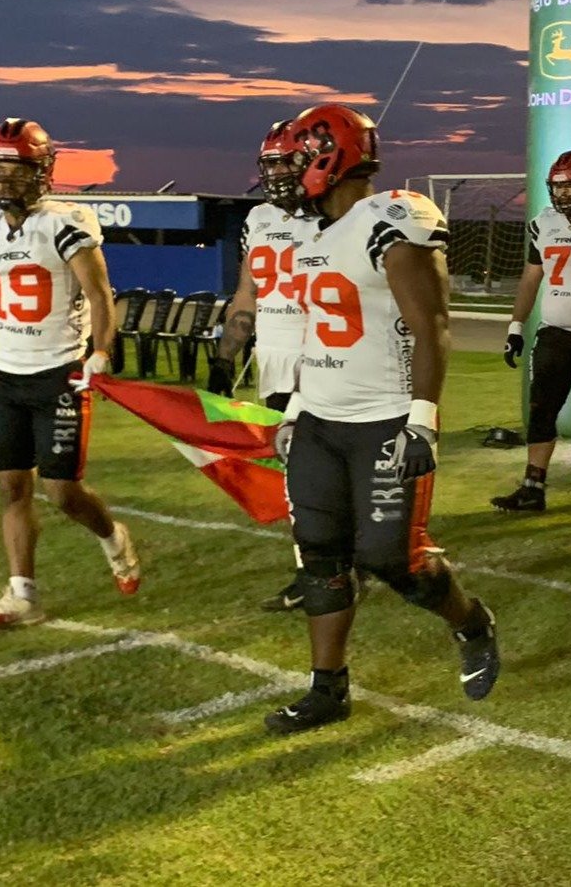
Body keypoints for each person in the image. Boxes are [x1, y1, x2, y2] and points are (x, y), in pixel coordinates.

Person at [263, 103, 497, 734]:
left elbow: (433, 325)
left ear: (328, 157)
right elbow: (324, 338)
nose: (285, 173)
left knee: (391, 560)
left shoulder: (391, 218)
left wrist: (421, 419)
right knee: (320, 556)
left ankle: (471, 622)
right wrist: (298, 409)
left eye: (294, 159)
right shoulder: (316, 236)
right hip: (321, 422)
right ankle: (328, 688)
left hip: (386, 421)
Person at [0, 118, 139, 631]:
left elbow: (101, 295)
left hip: (59, 374)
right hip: (4, 377)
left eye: (17, 169)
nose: (5, 179)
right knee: (12, 489)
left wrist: (100, 352)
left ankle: (112, 537)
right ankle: (23, 595)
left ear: (41, 172)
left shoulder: (67, 222)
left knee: (62, 492)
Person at [209, 119, 318, 612]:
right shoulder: (258, 220)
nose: (275, 174)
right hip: (273, 360)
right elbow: (248, 293)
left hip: (325, 359)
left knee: (308, 472)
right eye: (269, 163)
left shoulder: (337, 216)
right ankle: (321, 565)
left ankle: (317, 571)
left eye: (285, 161)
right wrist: (223, 357)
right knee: (296, 472)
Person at [491, 150, 571, 512]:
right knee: (541, 409)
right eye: (558, 187)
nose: (564, 194)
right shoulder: (542, 222)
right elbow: (532, 276)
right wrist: (516, 325)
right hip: (555, 333)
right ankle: (533, 487)